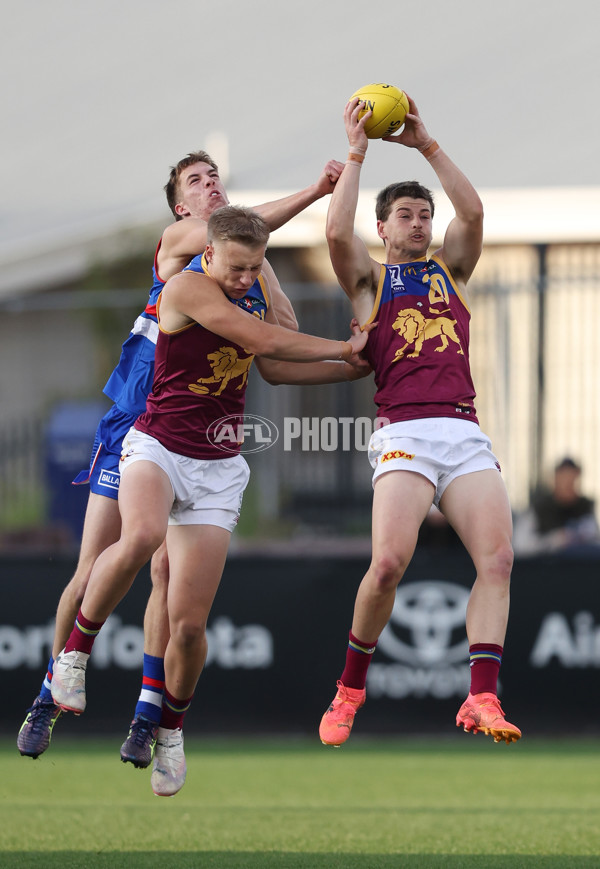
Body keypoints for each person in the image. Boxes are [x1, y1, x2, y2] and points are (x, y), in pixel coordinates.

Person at [17, 151, 345, 763]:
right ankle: (49, 692)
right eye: (197, 181)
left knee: (171, 583)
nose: (211, 184)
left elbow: (277, 351)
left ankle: (149, 717)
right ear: (180, 206)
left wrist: (355, 359)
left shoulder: (252, 264)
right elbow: (252, 243)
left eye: (216, 176)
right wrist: (319, 188)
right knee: (97, 566)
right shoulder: (182, 246)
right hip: (137, 423)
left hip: (204, 441)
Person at [318, 93, 521, 748]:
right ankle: (350, 688)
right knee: (386, 565)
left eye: (422, 213)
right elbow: (332, 234)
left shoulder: (451, 271)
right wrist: (357, 152)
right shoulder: (373, 284)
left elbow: (474, 211)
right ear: (383, 227)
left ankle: (482, 697)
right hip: (403, 429)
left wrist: (427, 145)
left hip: (462, 429)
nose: (417, 221)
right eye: (404, 213)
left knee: (498, 559)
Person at [512, 457, 600, 556]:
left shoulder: (585, 507)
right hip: (545, 568)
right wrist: (553, 541)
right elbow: (521, 546)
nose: (567, 484)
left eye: (571, 480)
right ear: (555, 479)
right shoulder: (540, 508)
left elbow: (595, 540)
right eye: (563, 478)